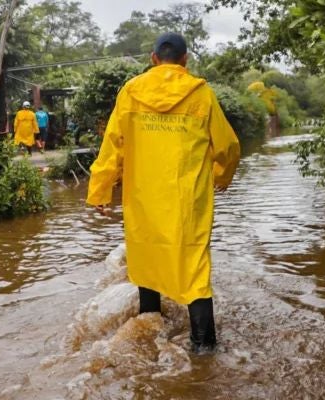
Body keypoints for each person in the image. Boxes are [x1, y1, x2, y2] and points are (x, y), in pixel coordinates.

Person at [86, 32, 240, 353]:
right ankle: (203, 347)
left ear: (153, 58)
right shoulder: (201, 94)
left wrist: (100, 189)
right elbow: (226, 146)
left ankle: (148, 330)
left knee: (148, 260)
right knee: (194, 268)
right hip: (188, 202)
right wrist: (221, 175)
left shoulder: (130, 92)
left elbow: (113, 143)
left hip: (143, 200)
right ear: (185, 59)